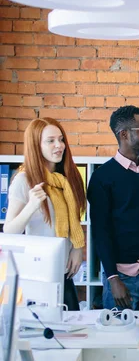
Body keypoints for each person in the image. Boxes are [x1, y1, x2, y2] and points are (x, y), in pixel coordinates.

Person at [87, 106, 139, 310]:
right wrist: (112, 279)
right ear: (124, 134)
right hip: (121, 279)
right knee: (118, 339)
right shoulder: (102, 177)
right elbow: (100, 231)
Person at [5, 118, 85, 311]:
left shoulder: (65, 179)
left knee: (70, 332)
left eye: (61, 139)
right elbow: (9, 231)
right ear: (36, 145)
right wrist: (32, 205)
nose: (59, 146)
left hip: (63, 270)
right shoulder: (24, 180)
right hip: (37, 273)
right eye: (50, 141)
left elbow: (73, 220)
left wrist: (77, 248)